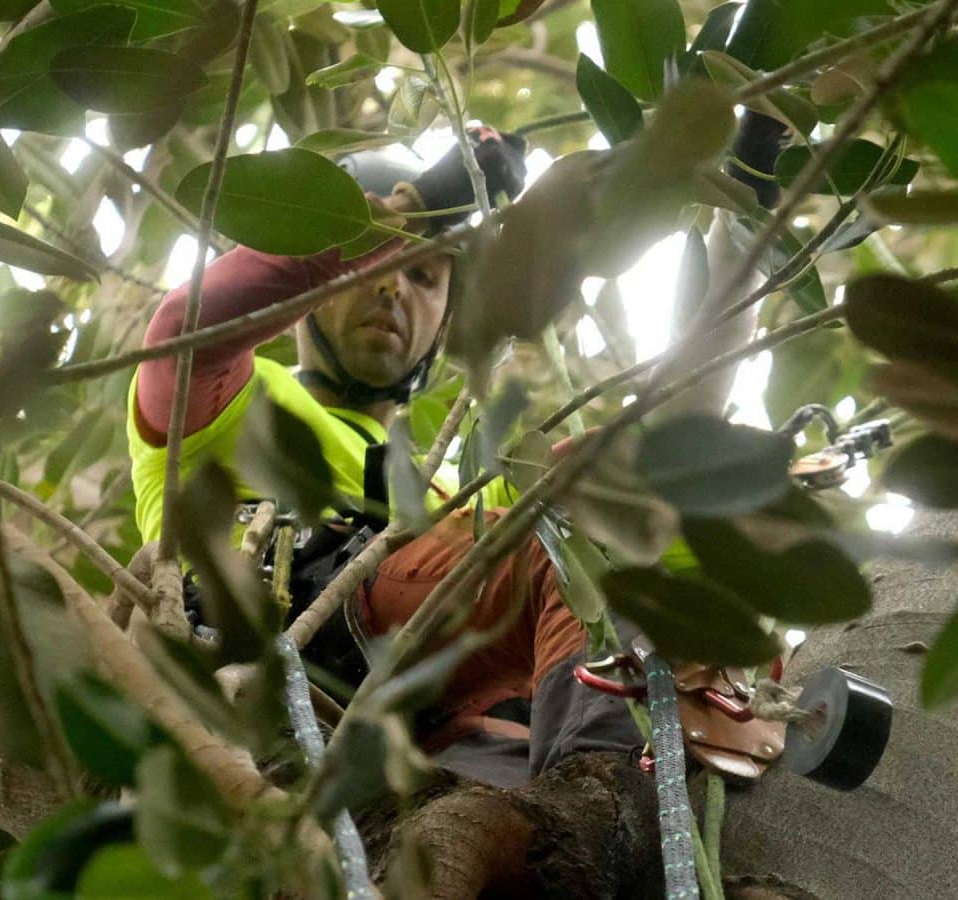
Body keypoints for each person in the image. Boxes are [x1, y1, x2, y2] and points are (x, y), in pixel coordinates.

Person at [128, 115, 786, 788]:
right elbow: (187, 333)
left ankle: (598, 809)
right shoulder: (235, 406)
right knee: (561, 547)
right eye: (378, 264)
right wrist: (415, 210)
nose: (392, 289)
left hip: (443, 736)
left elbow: (661, 448)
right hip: (288, 657)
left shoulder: (459, 489)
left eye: (422, 277)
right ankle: (598, 797)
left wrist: (741, 220)